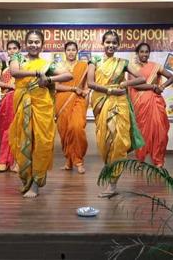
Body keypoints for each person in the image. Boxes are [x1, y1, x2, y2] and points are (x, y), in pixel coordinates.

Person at [9, 30, 73, 198]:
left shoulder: (47, 64)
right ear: (25, 43)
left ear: (42, 45)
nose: (33, 45)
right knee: (23, 142)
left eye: (37, 42)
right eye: (30, 41)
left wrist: (49, 80)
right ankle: (26, 179)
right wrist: (37, 73)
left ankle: (36, 184)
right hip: (23, 105)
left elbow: (69, 75)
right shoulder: (18, 58)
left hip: (42, 108)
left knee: (42, 143)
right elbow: (14, 72)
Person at [87, 31, 147, 198]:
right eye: (108, 42)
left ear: (118, 45)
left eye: (114, 43)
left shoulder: (123, 62)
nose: (111, 45)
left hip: (119, 105)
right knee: (105, 143)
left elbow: (142, 78)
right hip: (101, 103)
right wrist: (109, 90)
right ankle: (109, 175)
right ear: (103, 43)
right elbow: (90, 83)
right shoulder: (94, 61)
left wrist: (125, 83)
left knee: (118, 142)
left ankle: (112, 184)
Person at [130, 42, 173, 167]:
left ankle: (158, 160)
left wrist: (162, 86)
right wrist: (154, 86)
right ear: (137, 53)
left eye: (146, 52)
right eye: (142, 52)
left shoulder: (156, 66)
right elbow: (134, 85)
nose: (144, 54)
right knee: (142, 132)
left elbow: (172, 77)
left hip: (155, 102)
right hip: (140, 104)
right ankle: (140, 159)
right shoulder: (133, 68)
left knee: (159, 130)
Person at [54, 41, 90, 174]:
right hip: (62, 101)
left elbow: (87, 85)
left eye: (73, 50)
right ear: (65, 51)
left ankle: (79, 161)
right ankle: (68, 162)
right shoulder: (59, 67)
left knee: (76, 127)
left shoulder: (83, 66)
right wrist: (73, 88)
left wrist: (86, 91)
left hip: (78, 101)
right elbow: (56, 86)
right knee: (64, 132)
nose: (70, 52)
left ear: (77, 51)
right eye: (68, 50)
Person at [0, 40, 21, 172]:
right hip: (6, 99)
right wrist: (10, 85)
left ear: (19, 49)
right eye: (9, 48)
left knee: (19, 129)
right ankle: (4, 160)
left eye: (15, 48)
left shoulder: (24, 63)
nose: (12, 51)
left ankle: (17, 161)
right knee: (6, 130)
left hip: (21, 98)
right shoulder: (2, 63)